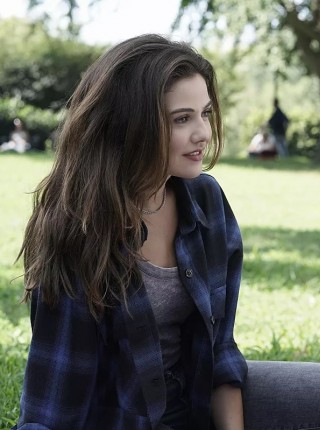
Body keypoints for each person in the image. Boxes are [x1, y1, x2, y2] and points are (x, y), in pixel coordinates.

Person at [15, 34, 246, 429]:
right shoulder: (80, 228)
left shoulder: (206, 200)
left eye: (205, 113)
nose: (203, 133)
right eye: (182, 119)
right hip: (123, 420)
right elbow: (54, 404)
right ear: (132, 124)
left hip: (196, 402)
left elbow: (220, 351)